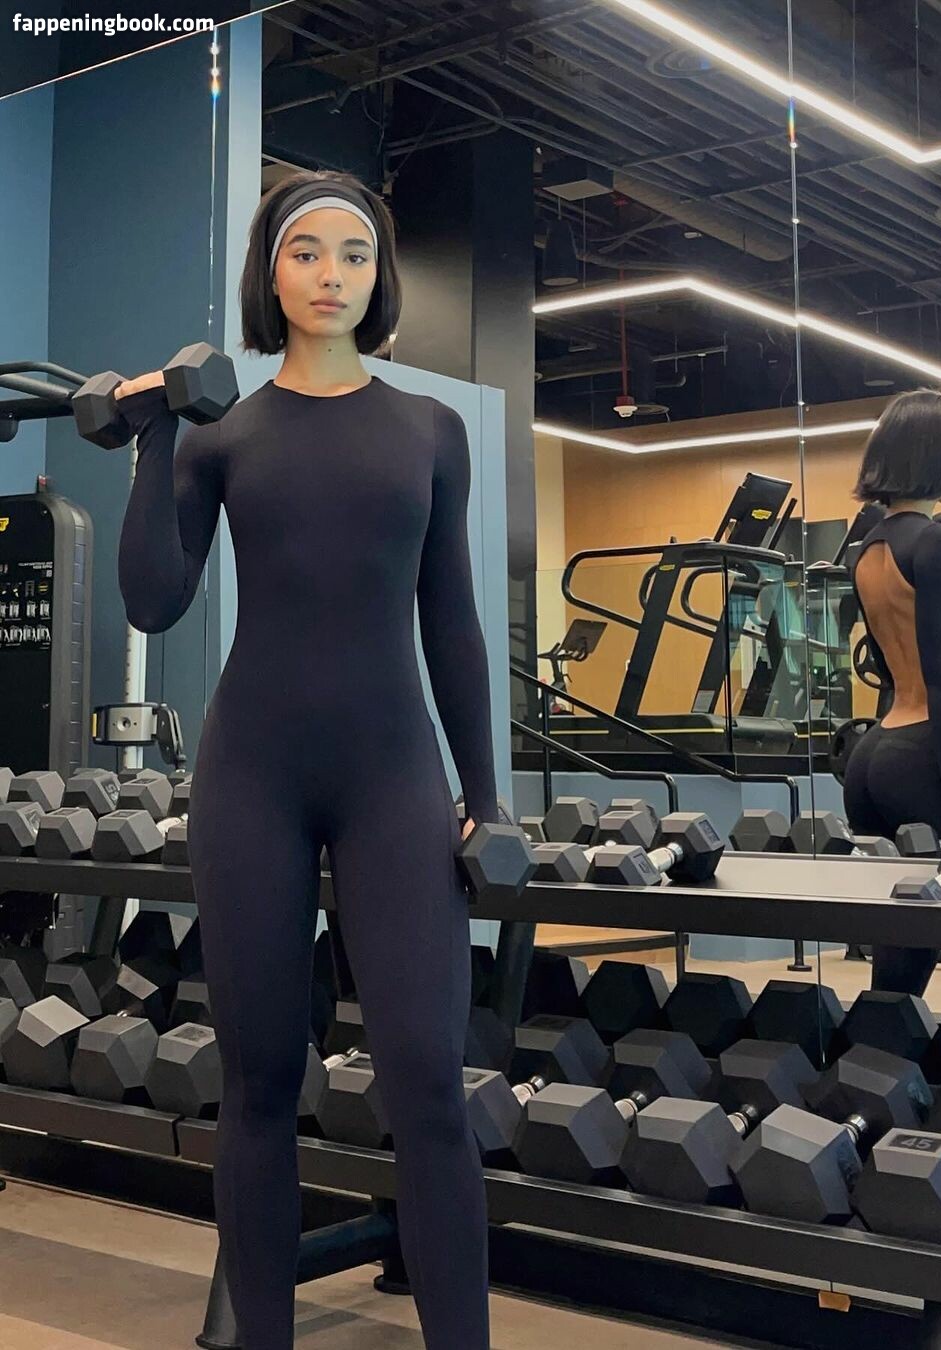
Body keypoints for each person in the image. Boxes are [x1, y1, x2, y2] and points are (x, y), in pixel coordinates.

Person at [114, 169, 496, 1349]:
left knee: (428, 1080)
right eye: (306, 253)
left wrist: (487, 797)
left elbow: (452, 621)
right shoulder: (222, 436)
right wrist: (153, 439)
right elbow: (152, 602)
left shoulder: (429, 429)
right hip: (253, 779)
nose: (332, 275)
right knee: (262, 1085)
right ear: (270, 274)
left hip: (393, 777)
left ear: (380, 277)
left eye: (355, 255)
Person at [843, 387, 941, 995]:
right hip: (934, 759)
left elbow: (892, 671)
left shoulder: (870, 546)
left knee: (903, 959)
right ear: (938, 454)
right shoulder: (938, 545)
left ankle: (877, 1053)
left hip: (877, 756)